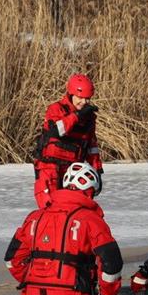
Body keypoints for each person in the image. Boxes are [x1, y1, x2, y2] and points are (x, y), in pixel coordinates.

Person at [4, 162, 144, 295]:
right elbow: (112, 264)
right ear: (90, 191)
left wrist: (34, 281)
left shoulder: (34, 217)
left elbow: (12, 261)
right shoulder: (91, 220)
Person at [33, 73, 102, 208]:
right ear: (71, 94)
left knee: (74, 207)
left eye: (87, 99)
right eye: (80, 98)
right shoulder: (56, 109)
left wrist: (97, 171)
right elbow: (57, 131)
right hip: (50, 168)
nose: (84, 103)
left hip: (73, 171)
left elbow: (91, 146)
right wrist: (77, 116)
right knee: (51, 208)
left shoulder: (89, 118)